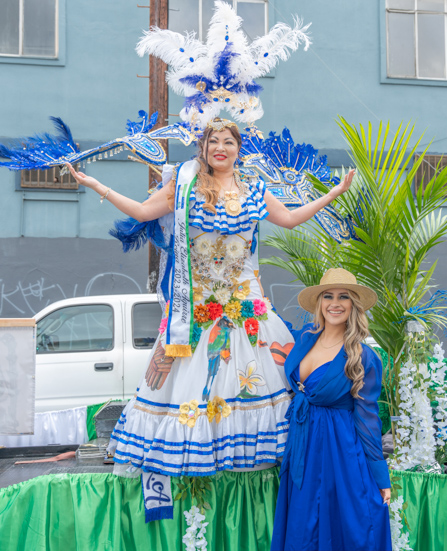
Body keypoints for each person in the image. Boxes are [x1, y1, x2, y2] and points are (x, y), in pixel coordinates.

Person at [67, 118, 355, 480]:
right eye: (213, 141)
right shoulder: (184, 187)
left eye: (228, 142)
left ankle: (253, 471)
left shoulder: (254, 189)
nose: (221, 148)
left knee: (249, 383)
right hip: (196, 311)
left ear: (238, 148)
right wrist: (98, 185)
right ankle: (202, 476)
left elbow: (291, 219)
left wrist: (332, 194)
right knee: (196, 387)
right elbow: (142, 212)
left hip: (247, 310)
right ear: (203, 148)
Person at [271, 268, 392, 551]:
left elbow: (368, 419)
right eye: (328, 296)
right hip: (302, 446)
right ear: (319, 302)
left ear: (353, 305)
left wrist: (380, 475)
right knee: (303, 527)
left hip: (340, 452)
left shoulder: (362, 356)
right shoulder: (305, 340)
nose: (334, 303)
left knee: (346, 526)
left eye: (343, 297)